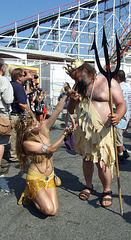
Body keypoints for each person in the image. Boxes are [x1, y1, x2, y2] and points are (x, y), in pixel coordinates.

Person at [66, 60, 126, 207]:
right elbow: (71, 110)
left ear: (85, 71)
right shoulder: (78, 87)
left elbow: (121, 104)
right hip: (85, 132)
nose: (75, 80)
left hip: (103, 131)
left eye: (77, 77)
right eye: (73, 78)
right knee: (87, 159)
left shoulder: (108, 82)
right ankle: (88, 185)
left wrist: (118, 115)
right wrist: (73, 101)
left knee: (102, 162)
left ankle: (107, 190)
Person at [16, 93, 72, 216]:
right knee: (48, 210)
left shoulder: (44, 129)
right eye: (35, 123)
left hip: (49, 176)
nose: (39, 122)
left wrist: (67, 94)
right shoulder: (27, 143)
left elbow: (57, 110)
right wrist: (64, 134)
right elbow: (50, 149)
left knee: (54, 211)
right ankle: (31, 195)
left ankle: (36, 195)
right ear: (28, 130)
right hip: (36, 178)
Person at [9, 68, 35, 163]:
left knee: (17, 135)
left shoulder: (12, 84)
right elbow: (22, 104)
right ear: (19, 77)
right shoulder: (18, 86)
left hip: (12, 113)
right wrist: (31, 114)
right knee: (16, 135)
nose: (25, 77)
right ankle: (14, 155)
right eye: (23, 75)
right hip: (16, 114)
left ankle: (16, 153)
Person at [0, 59, 14, 174]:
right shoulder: (3, 80)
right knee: (1, 142)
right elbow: (8, 99)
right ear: (2, 68)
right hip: (1, 113)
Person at [114, 70, 130, 163]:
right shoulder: (128, 86)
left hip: (120, 117)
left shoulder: (119, 88)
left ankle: (120, 156)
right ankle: (123, 151)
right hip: (127, 115)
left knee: (118, 139)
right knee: (120, 137)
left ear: (117, 78)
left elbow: (116, 104)